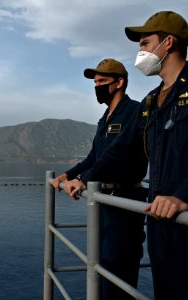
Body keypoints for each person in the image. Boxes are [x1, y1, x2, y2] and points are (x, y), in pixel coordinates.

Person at [65, 11, 188, 300]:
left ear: (169, 43)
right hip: (161, 222)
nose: (140, 51)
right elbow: (122, 150)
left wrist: (186, 195)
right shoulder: (151, 100)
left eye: (145, 43)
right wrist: (85, 179)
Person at [53, 58, 147, 300]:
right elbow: (95, 157)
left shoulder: (134, 112)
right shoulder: (105, 118)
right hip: (104, 200)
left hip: (125, 200)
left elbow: (120, 155)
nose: (97, 86)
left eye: (102, 81)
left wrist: (84, 180)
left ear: (119, 82)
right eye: (95, 82)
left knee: (120, 267)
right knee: (101, 265)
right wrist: (69, 174)